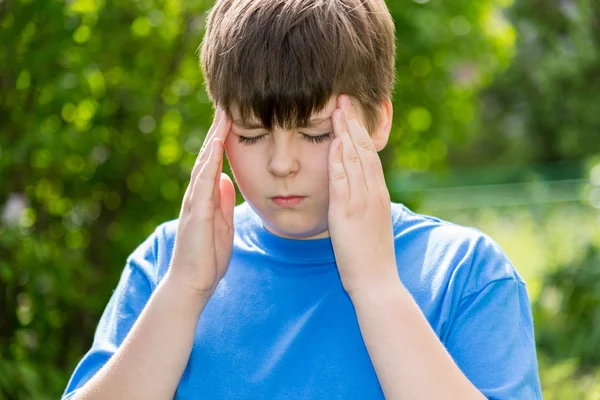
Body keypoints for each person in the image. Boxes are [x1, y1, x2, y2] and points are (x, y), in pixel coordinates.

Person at [62, 0, 543, 399]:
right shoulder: (167, 262)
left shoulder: (463, 274)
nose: (281, 163)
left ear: (377, 122)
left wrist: (377, 287)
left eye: (314, 133)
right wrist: (184, 291)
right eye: (251, 134)